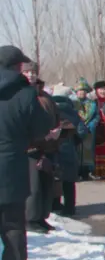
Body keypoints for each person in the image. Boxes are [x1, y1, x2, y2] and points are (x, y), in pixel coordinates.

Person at [0, 46, 54, 260]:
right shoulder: (25, 94)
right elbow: (40, 129)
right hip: (12, 166)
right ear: (17, 66)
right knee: (13, 225)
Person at [25, 69, 63, 234]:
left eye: (33, 72)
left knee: (47, 184)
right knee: (34, 186)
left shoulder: (46, 96)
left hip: (50, 147)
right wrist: (42, 137)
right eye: (27, 71)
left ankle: (42, 217)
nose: (31, 75)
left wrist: (59, 130)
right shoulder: (22, 96)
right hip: (31, 148)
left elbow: (58, 116)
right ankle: (31, 219)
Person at [51, 85, 87, 217]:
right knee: (69, 181)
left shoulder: (47, 109)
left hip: (52, 149)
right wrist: (74, 141)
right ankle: (69, 207)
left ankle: (54, 204)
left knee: (54, 178)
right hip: (69, 149)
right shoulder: (72, 112)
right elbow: (82, 131)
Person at [74, 79, 99, 179]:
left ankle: (88, 171)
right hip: (77, 131)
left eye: (84, 90)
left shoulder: (92, 104)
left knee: (88, 151)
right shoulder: (73, 103)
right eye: (80, 91)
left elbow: (97, 116)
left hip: (89, 130)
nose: (82, 92)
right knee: (77, 151)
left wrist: (92, 124)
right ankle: (77, 171)